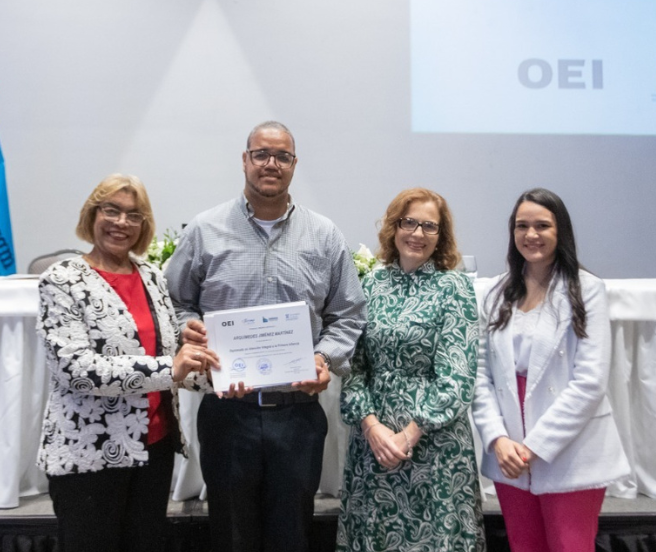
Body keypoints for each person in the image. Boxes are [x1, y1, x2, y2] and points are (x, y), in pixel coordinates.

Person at [164, 120, 367, 552]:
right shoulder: (205, 229)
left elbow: (348, 313)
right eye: (261, 154)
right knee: (231, 535)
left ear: (294, 165)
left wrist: (324, 359)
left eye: (282, 156)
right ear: (245, 161)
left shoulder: (324, 235)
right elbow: (173, 303)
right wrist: (189, 328)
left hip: (297, 415)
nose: (271, 164)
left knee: (292, 535)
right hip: (227, 413)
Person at [37, 174, 221, 552]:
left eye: (134, 215)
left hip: (152, 448)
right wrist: (171, 369)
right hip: (89, 453)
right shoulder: (62, 280)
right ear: (92, 215)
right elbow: (78, 370)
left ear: (144, 225)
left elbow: (172, 357)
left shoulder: (152, 276)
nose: (122, 223)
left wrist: (224, 377)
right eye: (112, 211)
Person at [471, 188, 630, 552]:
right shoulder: (495, 292)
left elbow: (590, 382)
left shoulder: (587, 290)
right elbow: (480, 376)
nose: (531, 235)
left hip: (568, 451)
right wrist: (497, 439)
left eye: (542, 225)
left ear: (561, 232)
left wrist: (535, 447)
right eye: (522, 226)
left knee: (569, 546)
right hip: (509, 450)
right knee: (524, 546)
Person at [337, 188, 485, 552]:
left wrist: (408, 435)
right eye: (409, 223)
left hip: (432, 448)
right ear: (394, 227)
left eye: (429, 227)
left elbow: (457, 376)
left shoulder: (455, 288)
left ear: (441, 236)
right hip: (373, 447)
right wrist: (372, 428)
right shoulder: (370, 285)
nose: (417, 234)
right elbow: (354, 368)